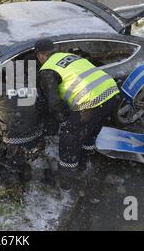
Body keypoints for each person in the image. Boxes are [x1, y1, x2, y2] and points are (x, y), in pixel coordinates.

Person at [34, 39, 120, 194]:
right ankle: (82, 163)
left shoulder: (47, 69)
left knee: (69, 138)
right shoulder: (69, 56)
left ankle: (65, 181)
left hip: (90, 103)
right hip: (111, 93)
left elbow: (54, 102)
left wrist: (63, 120)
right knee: (90, 130)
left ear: (40, 55)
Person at [0, 64, 43, 191]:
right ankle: (22, 169)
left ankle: (7, 176)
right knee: (17, 152)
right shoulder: (33, 88)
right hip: (34, 136)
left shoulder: (0, 92)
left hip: (12, 140)